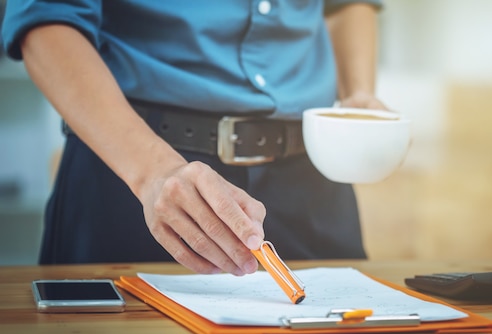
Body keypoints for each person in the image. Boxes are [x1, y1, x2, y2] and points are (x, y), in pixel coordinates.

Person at [2, 0, 386, 275]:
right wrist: (154, 172)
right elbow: (46, 19)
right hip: (140, 176)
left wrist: (359, 93)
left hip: (310, 179)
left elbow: (345, 5)